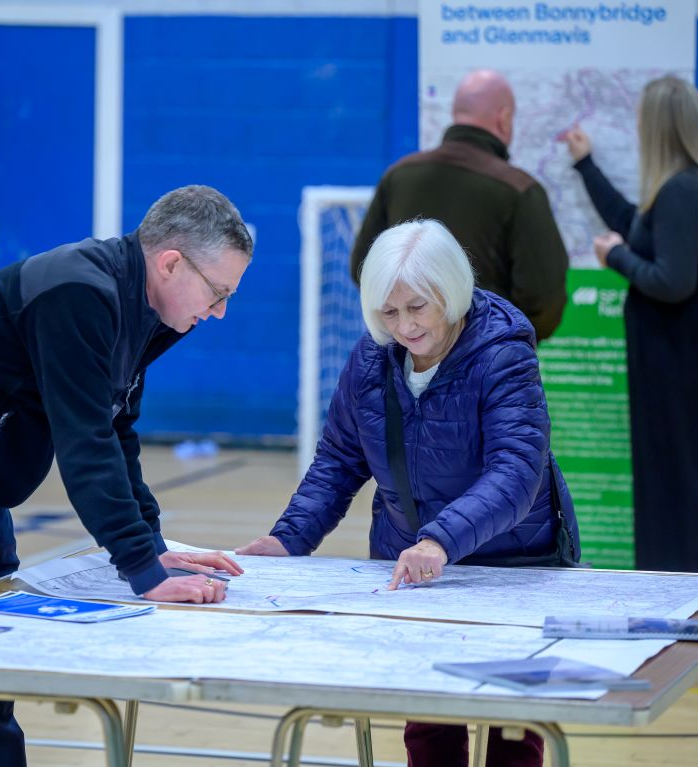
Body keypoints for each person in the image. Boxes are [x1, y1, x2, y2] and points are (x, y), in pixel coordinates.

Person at [0, 185, 252, 766]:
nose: (219, 312)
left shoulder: (146, 312)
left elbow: (118, 432)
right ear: (170, 262)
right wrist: (141, 570)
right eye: (218, 293)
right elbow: (83, 439)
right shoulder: (80, 291)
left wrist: (154, 547)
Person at [240, 219, 580, 767]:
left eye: (417, 307)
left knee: (513, 726)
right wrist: (287, 541)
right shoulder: (371, 361)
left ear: (451, 292)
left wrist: (439, 540)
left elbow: (518, 471)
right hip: (418, 571)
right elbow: (338, 462)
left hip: (516, 565)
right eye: (387, 312)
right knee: (428, 724)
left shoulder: (504, 353)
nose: (403, 326)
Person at [564, 76, 698, 574]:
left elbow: (670, 281)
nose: (637, 124)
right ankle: (679, 603)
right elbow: (636, 226)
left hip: (678, 343)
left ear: (658, 125)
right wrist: (585, 165)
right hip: (682, 341)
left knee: (677, 480)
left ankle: (686, 609)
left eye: (642, 116)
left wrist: (615, 256)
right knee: (678, 476)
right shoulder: (688, 185)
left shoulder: (683, 189)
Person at [349, 69, 569, 341]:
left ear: (456, 114)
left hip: (408, 363)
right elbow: (544, 299)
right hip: (487, 362)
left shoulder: (398, 176)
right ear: (504, 118)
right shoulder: (520, 190)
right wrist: (502, 340)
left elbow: (363, 268)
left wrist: (408, 325)